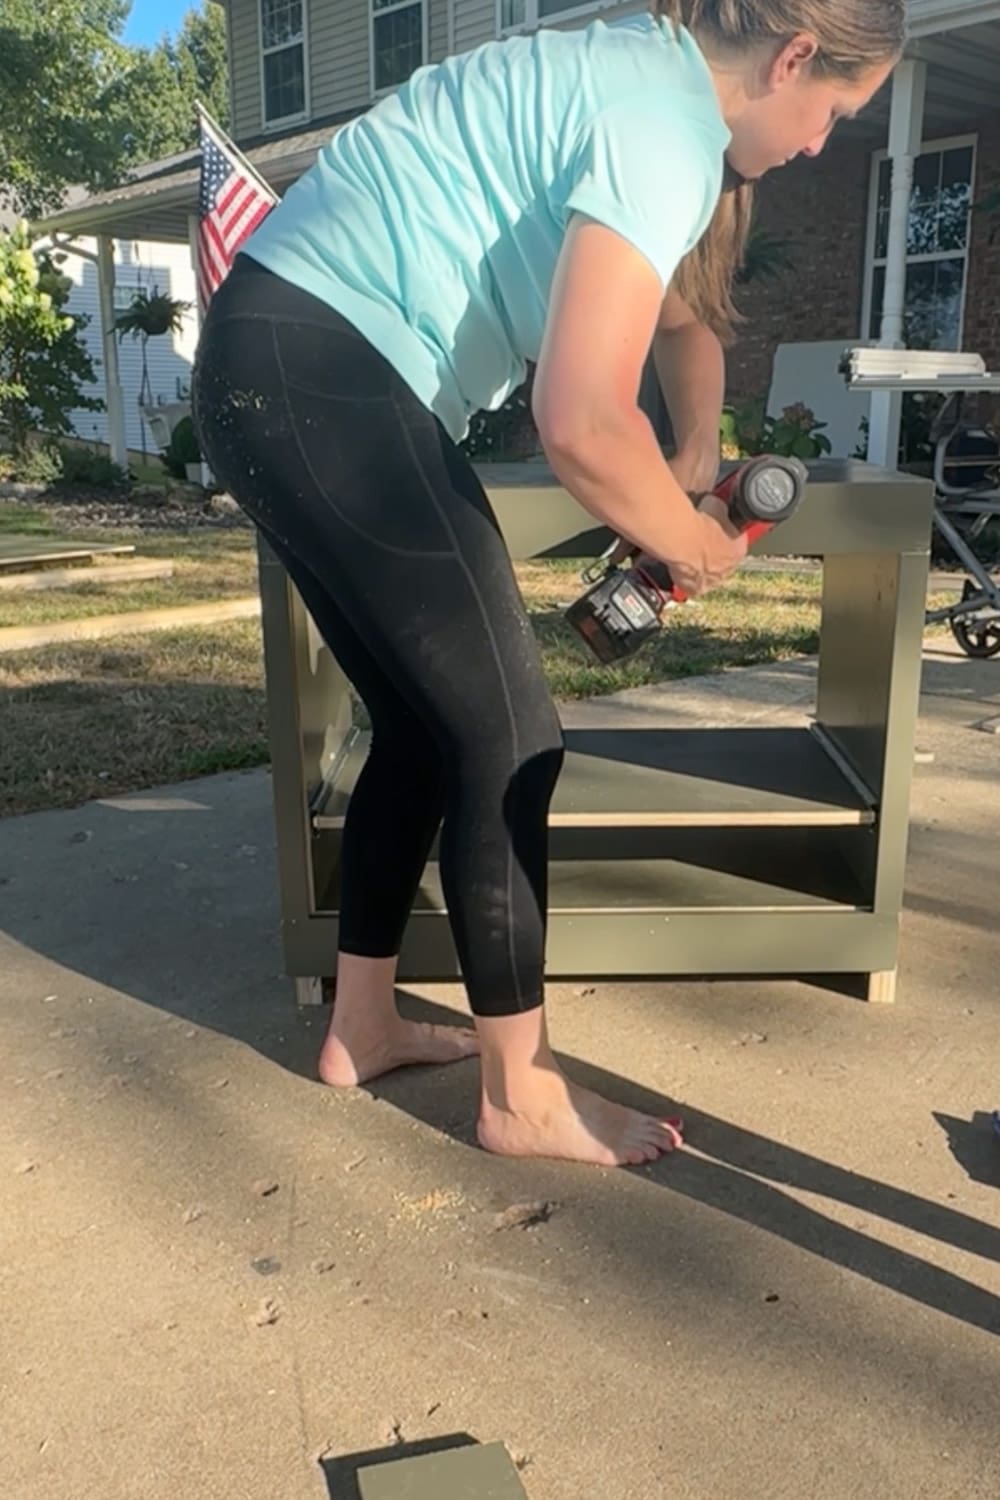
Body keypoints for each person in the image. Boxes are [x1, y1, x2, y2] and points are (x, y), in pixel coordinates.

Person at [192, 0, 903, 1168]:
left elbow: (680, 329)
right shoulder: (665, 126)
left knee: (429, 734)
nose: (824, 141)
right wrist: (688, 537)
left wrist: (682, 452)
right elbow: (574, 420)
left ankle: (358, 1027)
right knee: (513, 741)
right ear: (789, 59)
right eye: (835, 111)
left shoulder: (630, 82)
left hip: (272, 366)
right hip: (330, 376)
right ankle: (521, 1094)